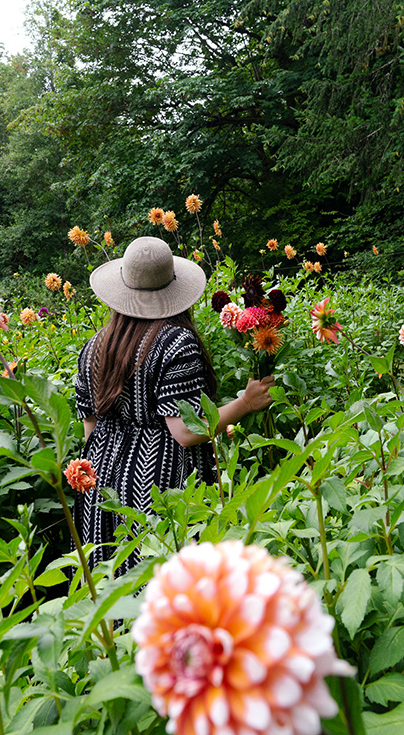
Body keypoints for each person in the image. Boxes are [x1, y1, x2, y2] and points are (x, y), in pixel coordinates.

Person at [75, 236, 274, 571]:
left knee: (113, 589)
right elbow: (184, 431)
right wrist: (246, 402)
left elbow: (89, 431)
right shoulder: (176, 342)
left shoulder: (95, 345)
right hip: (159, 485)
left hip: (102, 488)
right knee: (166, 584)